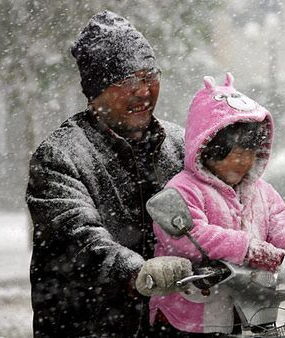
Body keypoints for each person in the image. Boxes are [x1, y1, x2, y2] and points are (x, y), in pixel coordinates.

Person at [26, 11, 193, 337]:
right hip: (91, 325)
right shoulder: (60, 157)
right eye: (128, 81)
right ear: (95, 93)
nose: (144, 91)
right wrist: (135, 271)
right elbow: (78, 236)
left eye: (150, 76)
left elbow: (226, 202)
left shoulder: (181, 144)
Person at [149, 73, 285, 335]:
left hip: (251, 304)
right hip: (193, 313)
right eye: (235, 153)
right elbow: (188, 235)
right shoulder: (184, 189)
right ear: (207, 147)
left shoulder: (260, 191)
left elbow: (281, 221)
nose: (244, 161)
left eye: (250, 152)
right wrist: (247, 249)